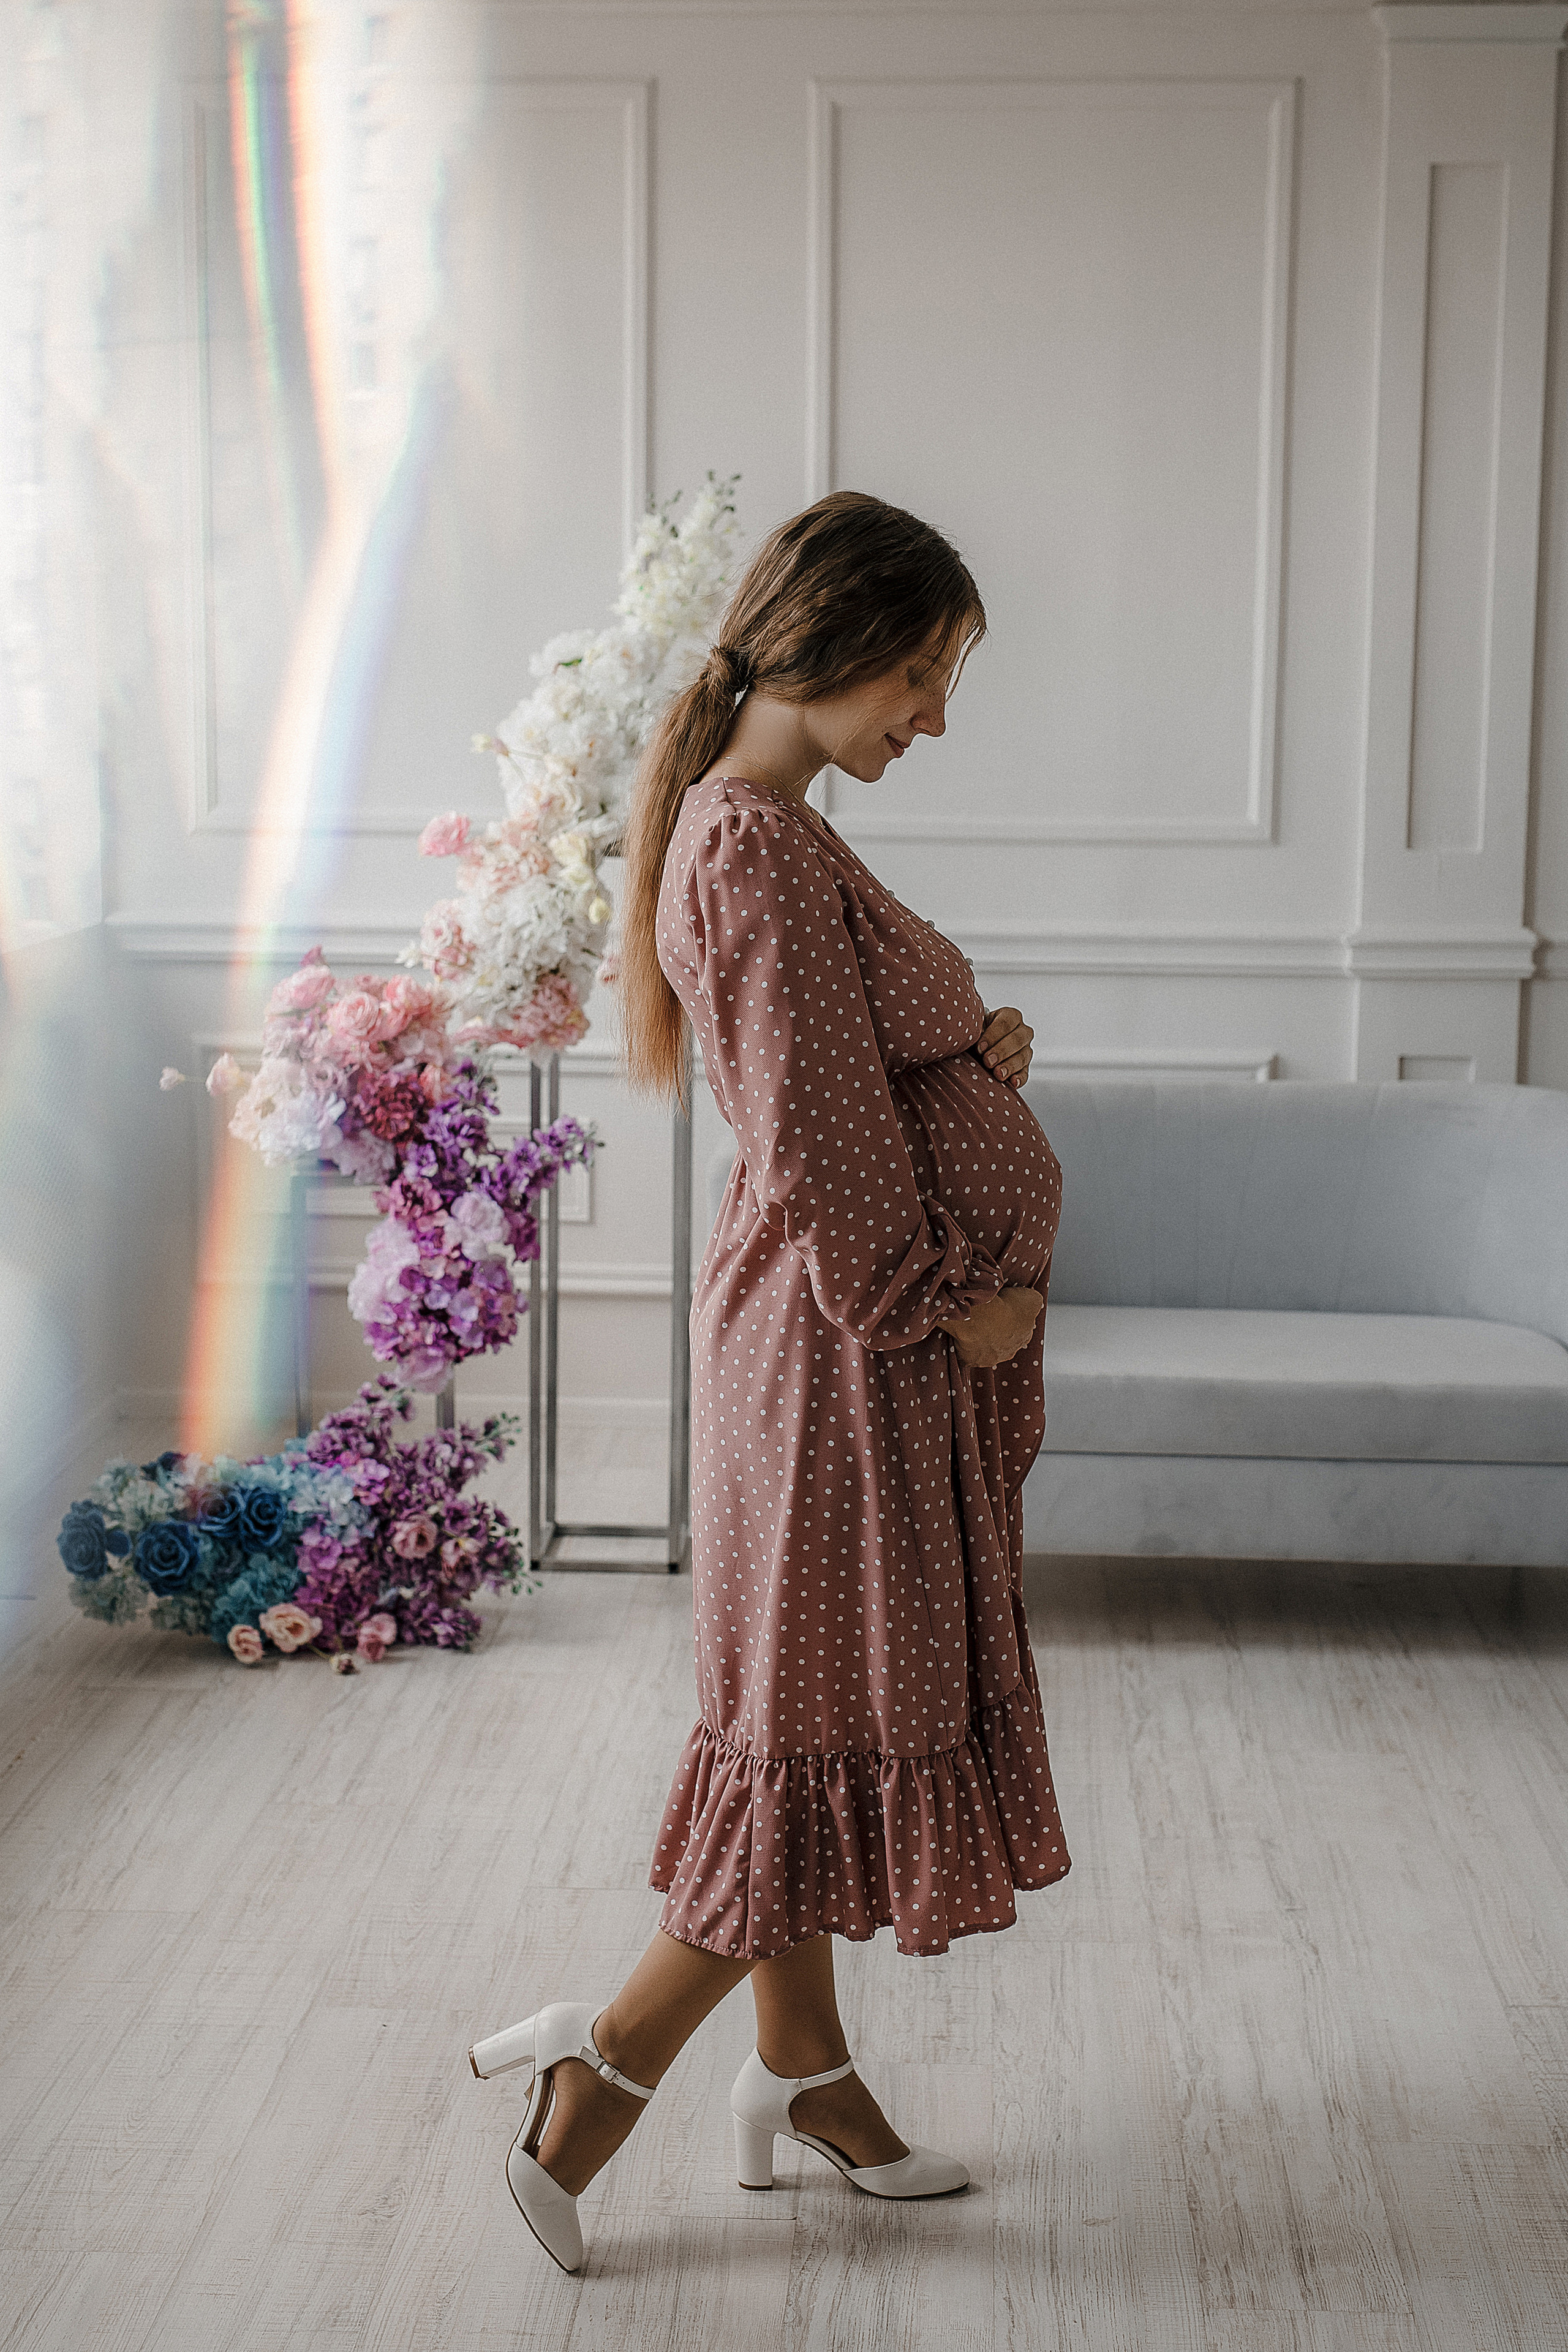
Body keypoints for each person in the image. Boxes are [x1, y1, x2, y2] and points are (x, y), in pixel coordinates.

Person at [467, 491, 1071, 2272]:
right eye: (920, 674)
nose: (934, 719)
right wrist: (937, 1309)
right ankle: (601, 2076)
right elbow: (810, 1131)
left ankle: (803, 2073)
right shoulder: (748, 844)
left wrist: (968, 1048)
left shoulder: (774, 830)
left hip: (838, 1342)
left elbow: (838, 1064)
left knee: (798, 1717)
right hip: (844, 1349)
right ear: (820, 640)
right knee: (813, 1730)